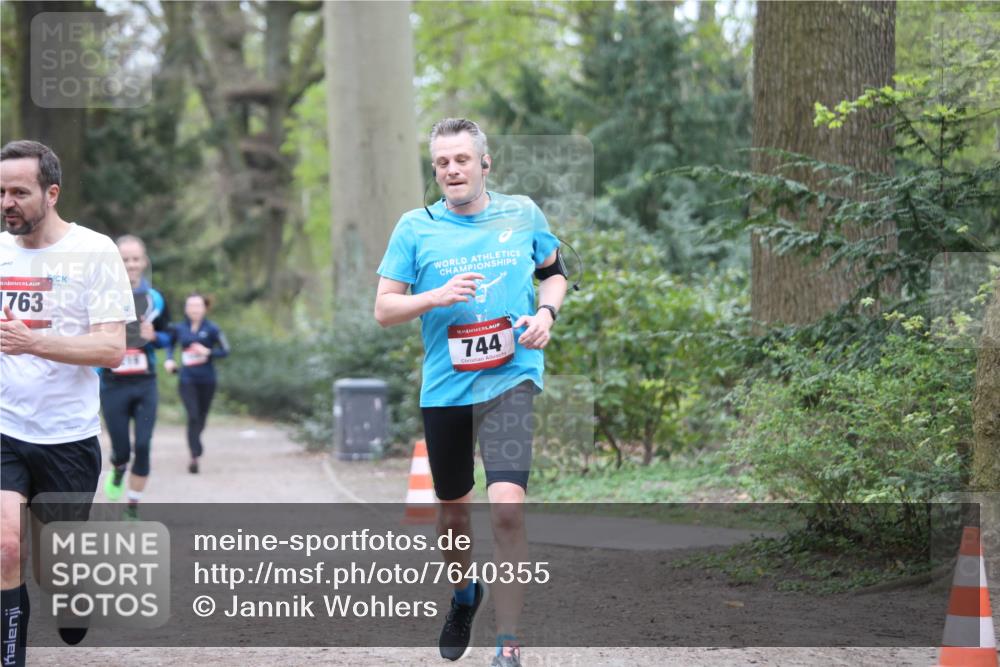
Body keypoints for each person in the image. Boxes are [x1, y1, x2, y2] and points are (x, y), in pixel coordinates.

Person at [374, 118, 568, 667]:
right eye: (442, 163)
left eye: (462, 160)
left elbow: (555, 273)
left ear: (485, 164)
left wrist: (546, 313)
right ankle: (464, 595)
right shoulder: (416, 227)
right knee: (452, 515)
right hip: (447, 388)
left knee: (507, 509)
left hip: (512, 377)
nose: (452, 170)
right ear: (434, 170)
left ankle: (509, 642)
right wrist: (433, 297)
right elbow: (384, 309)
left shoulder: (523, 213)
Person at [1, 140, 134, 665]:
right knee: (7, 546)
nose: (7, 202)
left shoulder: (94, 252)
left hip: (67, 437)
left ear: (51, 193)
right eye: (1, 192)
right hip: (6, 427)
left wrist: (34, 342)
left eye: (19, 192)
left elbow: (112, 349)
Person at [100, 235, 171, 519]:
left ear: (144, 262)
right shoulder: (103, 295)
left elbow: (170, 336)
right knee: (122, 450)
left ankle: (132, 506)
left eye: (135, 259)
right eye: (125, 259)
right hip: (113, 384)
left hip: (144, 383)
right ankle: (118, 469)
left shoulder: (155, 299)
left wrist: (156, 336)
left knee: (142, 445)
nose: (130, 264)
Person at [164, 293, 229, 473]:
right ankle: (194, 454)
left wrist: (208, 352)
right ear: (186, 309)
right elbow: (170, 345)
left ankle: (196, 442)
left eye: (198, 306)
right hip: (187, 378)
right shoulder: (179, 328)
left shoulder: (213, 328)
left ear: (204, 308)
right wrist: (169, 360)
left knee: (201, 417)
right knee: (192, 415)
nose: (194, 309)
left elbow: (225, 351)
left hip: (207, 379)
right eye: (191, 306)